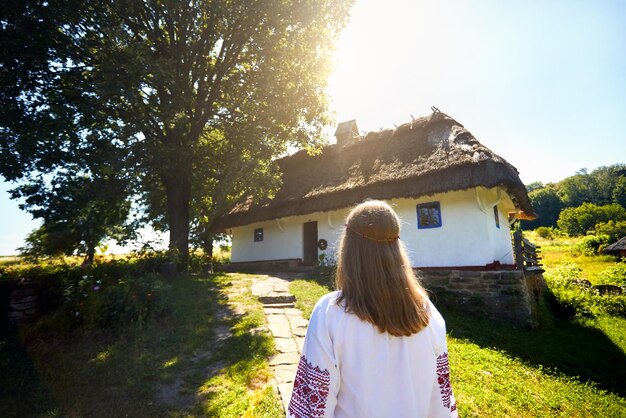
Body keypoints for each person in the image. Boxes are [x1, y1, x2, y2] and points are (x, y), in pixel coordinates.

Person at [287, 200, 458, 418]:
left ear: (349, 250)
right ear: (397, 249)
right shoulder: (427, 313)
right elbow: (442, 405)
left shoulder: (330, 313)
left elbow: (312, 411)